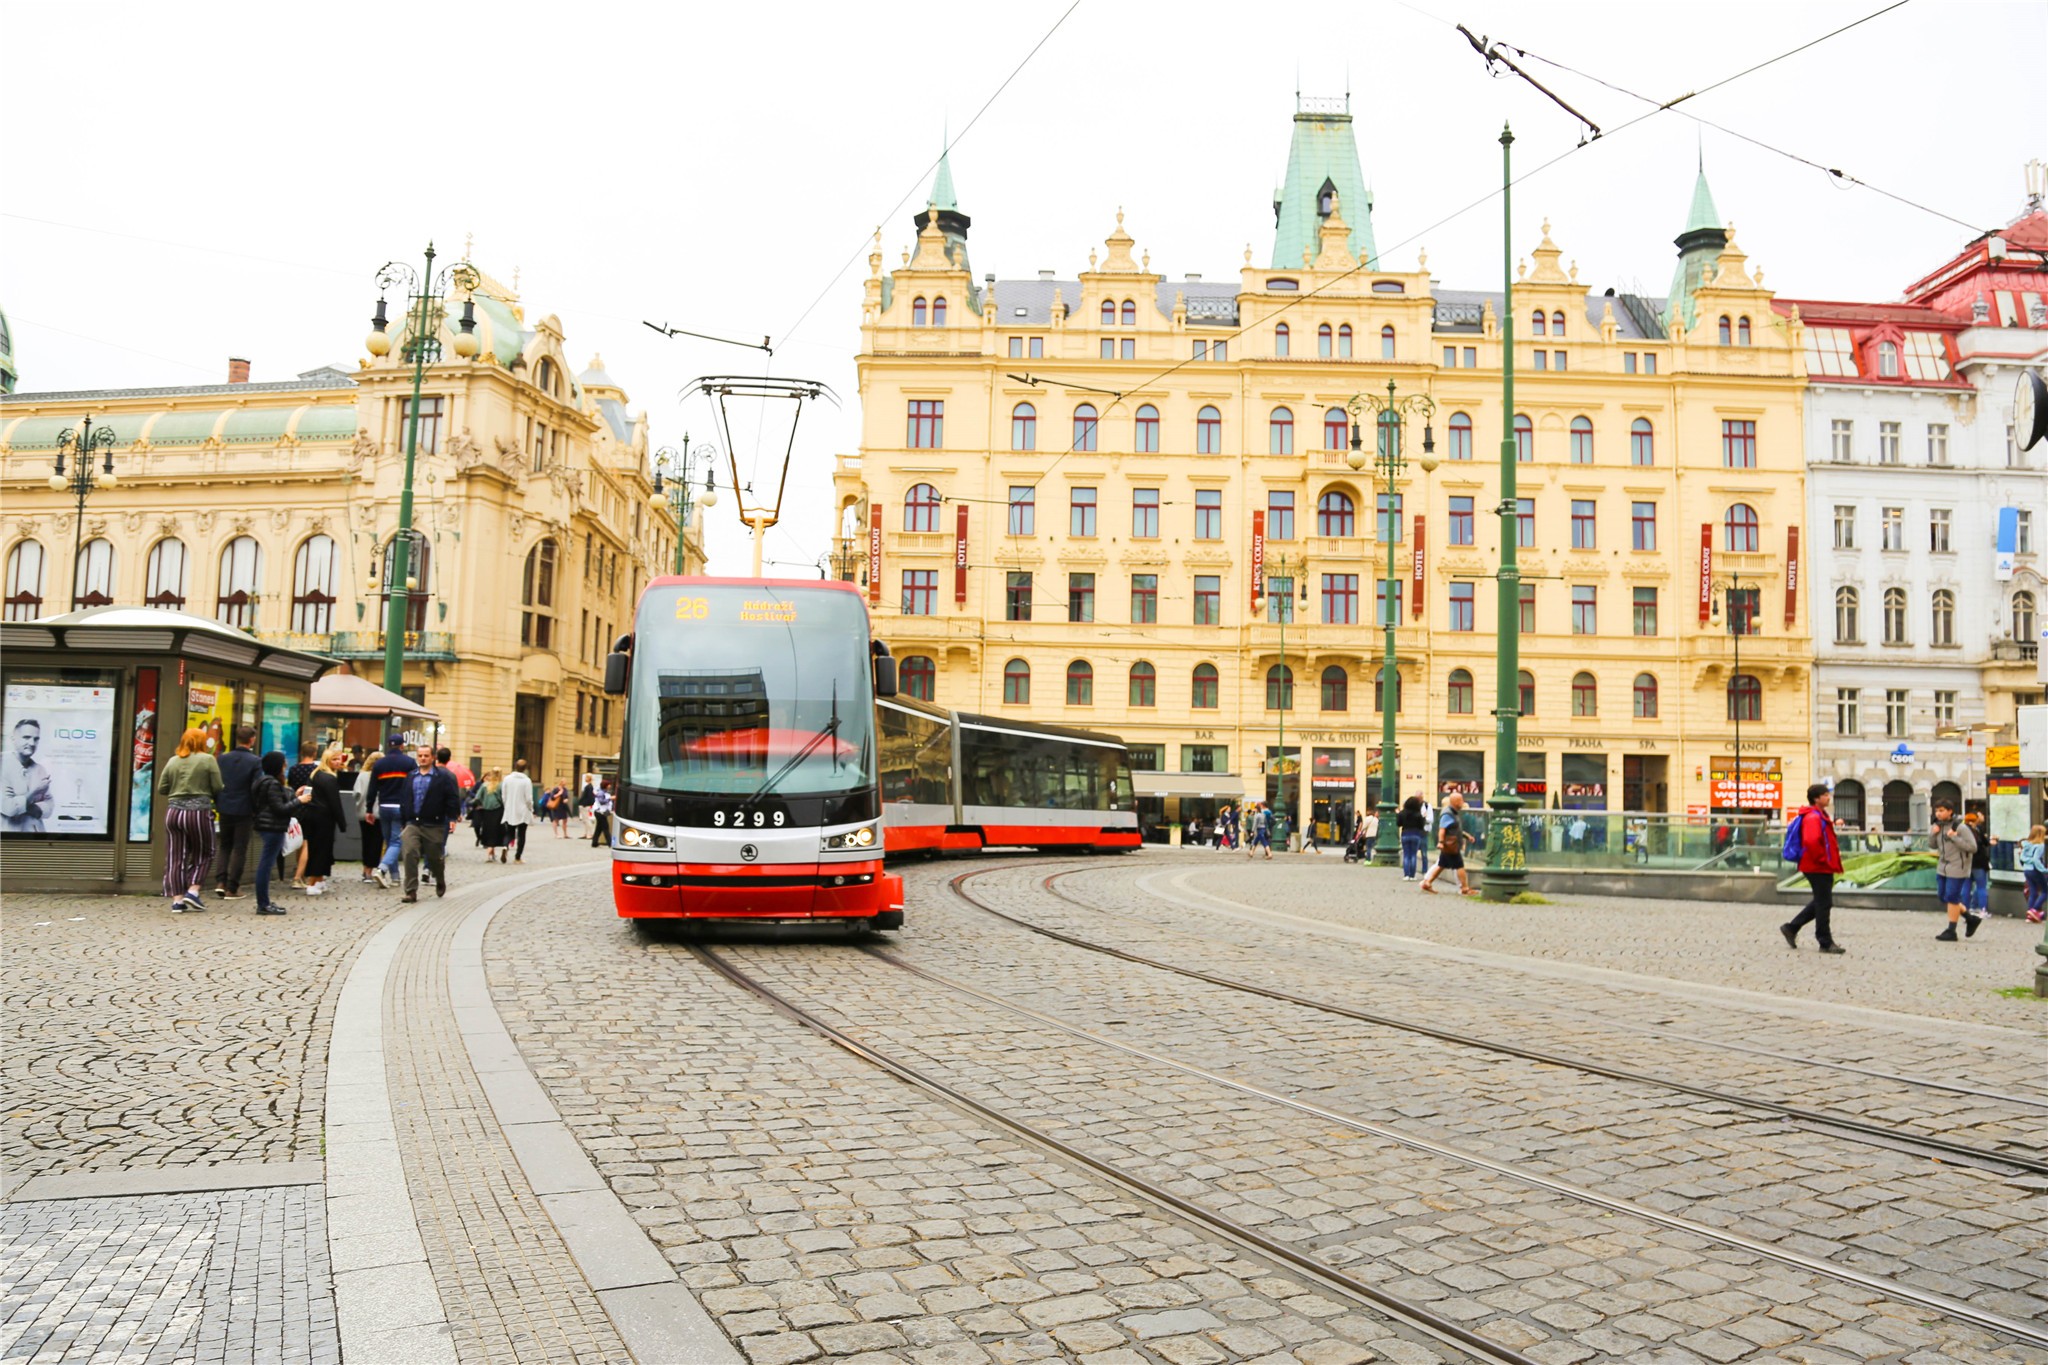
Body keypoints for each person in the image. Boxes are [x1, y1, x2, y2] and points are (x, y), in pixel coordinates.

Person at [158, 727, 222, 912]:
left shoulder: (173, 761)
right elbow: (218, 786)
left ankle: (177, 900)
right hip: (198, 812)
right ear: (202, 742)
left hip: (173, 813)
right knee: (206, 852)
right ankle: (193, 891)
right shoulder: (208, 759)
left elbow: (162, 788)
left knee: (175, 857)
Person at [1778, 783, 1845, 954]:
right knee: (1823, 902)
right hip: (1817, 865)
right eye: (1825, 795)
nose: (1828, 797)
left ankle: (1791, 928)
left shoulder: (1818, 815)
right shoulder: (1814, 817)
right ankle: (1825, 941)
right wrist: (1823, 859)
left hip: (1818, 864)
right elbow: (1811, 841)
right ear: (1816, 798)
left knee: (1822, 901)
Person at [249, 751, 313, 917]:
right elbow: (280, 809)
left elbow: (276, 802)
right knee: (266, 864)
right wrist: (300, 801)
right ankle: (263, 903)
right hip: (272, 827)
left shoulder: (264, 782)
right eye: (283, 763)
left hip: (268, 826)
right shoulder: (272, 784)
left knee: (266, 863)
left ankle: (264, 902)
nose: (285, 766)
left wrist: (294, 795)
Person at [402, 746, 463, 902]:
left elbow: (452, 798)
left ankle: (439, 877)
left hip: (433, 823)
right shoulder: (411, 776)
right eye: (420, 755)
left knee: (435, 857)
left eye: (426, 755)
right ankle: (411, 890)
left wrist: (452, 818)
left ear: (432, 757)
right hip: (413, 822)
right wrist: (404, 817)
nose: (422, 758)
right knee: (410, 853)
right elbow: (405, 797)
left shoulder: (441, 777)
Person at [211, 726, 262, 900]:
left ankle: (220, 882)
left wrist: (218, 802)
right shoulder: (255, 761)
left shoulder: (222, 758)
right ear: (252, 740)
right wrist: (256, 808)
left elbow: (216, 782)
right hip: (244, 809)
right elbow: (257, 787)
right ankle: (232, 887)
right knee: (239, 848)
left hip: (225, 807)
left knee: (225, 845)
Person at [367, 735, 418, 888]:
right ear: (402, 746)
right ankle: (382, 869)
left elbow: (372, 788)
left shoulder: (380, 764)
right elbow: (415, 785)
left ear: (389, 745)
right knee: (396, 842)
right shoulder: (409, 763)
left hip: (384, 806)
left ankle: (395, 877)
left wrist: (369, 809)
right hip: (401, 807)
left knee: (390, 842)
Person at [301, 748, 348, 895]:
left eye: (338, 758)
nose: (337, 761)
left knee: (318, 849)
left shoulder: (315, 774)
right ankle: (313, 882)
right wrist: (342, 823)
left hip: (312, 816)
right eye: (334, 759)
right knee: (321, 850)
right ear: (327, 760)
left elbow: (307, 793)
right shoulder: (330, 778)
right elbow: (335, 803)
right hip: (324, 819)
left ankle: (319, 880)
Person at [1931, 798, 1978, 941]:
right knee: (1943, 896)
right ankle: (1970, 918)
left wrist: (1954, 837)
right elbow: (1932, 845)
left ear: (1949, 811)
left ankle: (1951, 930)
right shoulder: (1937, 826)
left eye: (1941, 810)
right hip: (1942, 867)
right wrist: (1933, 833)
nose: (1938, 814)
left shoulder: (1961, 828)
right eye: (1936, 811)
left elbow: (1972, 847)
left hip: (1958, 867)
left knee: (1952, 897)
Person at [0, 717, 55, 833]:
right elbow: (8, 808)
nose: (31, 743)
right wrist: (35, 792)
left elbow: (49, 806)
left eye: (36, 739)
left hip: (37, 836)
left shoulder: (40, 769)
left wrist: (21, 803)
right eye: (26, 737)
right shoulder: (2, 763)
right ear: (13, 739)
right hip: (9, 837)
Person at [1419, 792, 1476, 896]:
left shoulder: (1453, 813)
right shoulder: (1448, 814)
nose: (1463, 803)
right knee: (1459, 865)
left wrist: (1467, 836)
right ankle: (1464, 888)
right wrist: (1441, 842)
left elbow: (1455, 829)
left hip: (1450, 845)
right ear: (1455, 802)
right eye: (1461, 800)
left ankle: (1427, 883)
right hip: (1450, 845)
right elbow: (1442, 829)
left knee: (1441, 865)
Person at [500, 759, 535, 864]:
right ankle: (517, 857)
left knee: (509, 832)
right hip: (523, 810)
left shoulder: (507, 779)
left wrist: (507, 805)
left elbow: (503, 795)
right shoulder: (526, 781)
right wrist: (531, 808)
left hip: (510, 809)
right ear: (525, 769)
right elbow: (528, 798)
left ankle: (505, 846)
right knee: (522, 834)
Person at [1964, 811, 1994, 927]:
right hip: (1979, 863)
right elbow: (1985, 843)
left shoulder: (1962, 832)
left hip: (1967, 863)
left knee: (1966, 887)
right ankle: (1982, 910)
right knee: (1981, 886)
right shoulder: (1977, 831)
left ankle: (1966, 910)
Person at [471, 769, 506, 861]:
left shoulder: (484, 785)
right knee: (496, 831)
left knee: (488, 831)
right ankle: (499, 849)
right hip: (499, 811)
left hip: (486, 811)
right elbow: (505, 799)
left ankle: (490, 853)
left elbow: (477, 798)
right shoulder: (502, 785)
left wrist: (482, 803)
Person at [2019, 823, 2047, 924]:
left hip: (2027, 870)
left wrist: (2028, 860)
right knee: (2045, 891)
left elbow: (2022, 857)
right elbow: (2036, 860)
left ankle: (2029, 916)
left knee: (2033, 892)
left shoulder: (2027, 844)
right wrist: (2044, 870)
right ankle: (2033, 910)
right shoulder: (2040, 845)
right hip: (2036, 870)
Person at [1396, 796, 1428, 881]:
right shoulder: (1418, 814)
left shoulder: (1402, 813)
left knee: (1406, 855)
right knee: (1413, 855)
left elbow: (1398, 823)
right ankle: (1412, 875)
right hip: (1416, 835)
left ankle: (1406, 875)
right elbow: (1422, 826)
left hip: (1405, 834)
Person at [588, 775, 615, 847]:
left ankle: (594, 842)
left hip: (600, 812)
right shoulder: (601, 792)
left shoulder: (604, 792)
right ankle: (610, 843)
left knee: (599, 828)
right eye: (609, 785)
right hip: (600, 812)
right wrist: (610, 799)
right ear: (606, 785)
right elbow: (601, 801)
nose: (610, 786)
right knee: (606, 828)